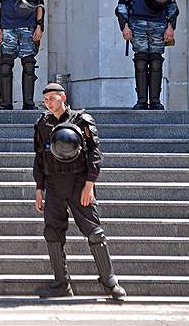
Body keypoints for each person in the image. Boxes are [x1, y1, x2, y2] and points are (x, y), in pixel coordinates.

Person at [33, 82, 126, 300]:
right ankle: (60, 283)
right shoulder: (42, 124)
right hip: (54, 184)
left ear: (63, 98)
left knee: (94, 233)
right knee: (52, 233)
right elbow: (39, 158)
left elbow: (95, 153)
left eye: (52, 99)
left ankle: (110, 282)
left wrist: (89, 184)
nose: (48, 103)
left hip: (79, 182)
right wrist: (39, 189)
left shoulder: (81, 120)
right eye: (46, 100)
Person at [115, 0, 179, 109]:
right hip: (138, 24)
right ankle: (142, 101)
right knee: (141, 61)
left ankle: (156, 101)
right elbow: (122, 4)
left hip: (159, 24)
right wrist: (124, 26)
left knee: (157, 61)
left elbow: (172, 5)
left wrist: (171, 26)